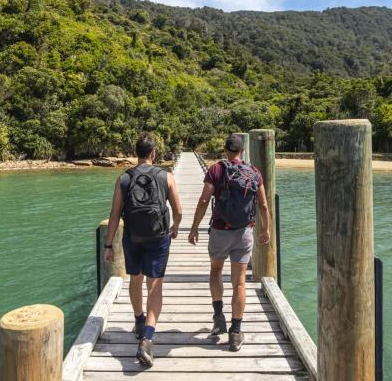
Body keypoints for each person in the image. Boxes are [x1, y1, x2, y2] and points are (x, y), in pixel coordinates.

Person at [103, 133, 182, 367]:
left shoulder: (124, 179)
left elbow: (115, 215)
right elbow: (178, 211)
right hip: (158, 237)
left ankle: (138, 321)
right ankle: (147, 337)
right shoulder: (166, 177)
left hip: (132, 238)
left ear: (135, 153)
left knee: (135, 280)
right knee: (155, 285)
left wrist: (108, 245)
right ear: (154, 153)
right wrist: (174, 228)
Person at [188, 134, 271, 351]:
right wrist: (266, 228)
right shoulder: (254, 172)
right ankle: (236, 332)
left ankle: (218, 316)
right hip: (244, 232)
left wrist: (195, 226)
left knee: (216, 270)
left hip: (219, 230)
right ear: (242, 151)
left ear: (225, 150)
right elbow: (262, 204)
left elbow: (205, 199)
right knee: (240, 282)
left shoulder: (216, 169)